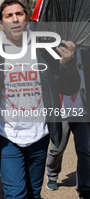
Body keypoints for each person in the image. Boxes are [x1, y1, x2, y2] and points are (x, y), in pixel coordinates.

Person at [0, 0, 80, 199]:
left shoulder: (45, 47)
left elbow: (69, 87)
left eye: (19, 14)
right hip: (6, 137)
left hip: (39, 135)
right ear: (1, 22)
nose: (15, 19)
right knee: (16, 195)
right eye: (9, 16)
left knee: (33, 194)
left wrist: (67, 64)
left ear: (26, 18)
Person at [46, 47, 90, 199]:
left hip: (82, 111)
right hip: (62, 111)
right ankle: (52, 175)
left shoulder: (85, 53)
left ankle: (84, 187)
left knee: (86, 151)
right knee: (57, 148)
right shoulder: (53, 53)